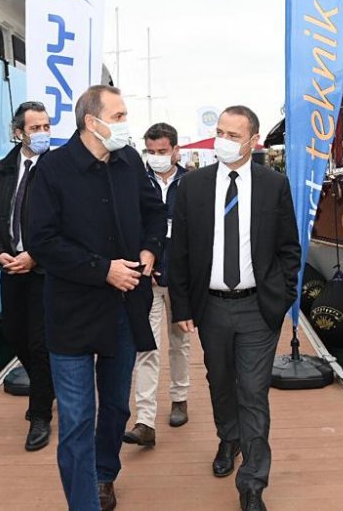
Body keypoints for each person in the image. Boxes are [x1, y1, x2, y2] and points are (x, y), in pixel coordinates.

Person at [26, 85, 166, 511]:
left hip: (123, 311)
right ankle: (83, 503)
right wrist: (103, 269)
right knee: (76, 419)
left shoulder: (129, 162)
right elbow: (41, 240)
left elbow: (155, 211)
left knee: (116, 408)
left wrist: (149, 249)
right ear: (92, 122)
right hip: (71, 315)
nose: (126, 123)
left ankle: (105, 474)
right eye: (119, 115)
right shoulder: (52, 170)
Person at [168, 105, 301, 511]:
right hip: (210, 307)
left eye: (233, 135)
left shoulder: (273, 185)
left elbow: (289, 248)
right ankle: (229, 438)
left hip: (257, 308)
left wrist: (283, 296)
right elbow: (179, 251)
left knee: (253, 391)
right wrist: (182, 306)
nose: (222, 141)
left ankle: (253, 483)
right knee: (221, 381)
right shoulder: (193, 186)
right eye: (220, 133)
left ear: (253, 141)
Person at [0, 101, 55, 452]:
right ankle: (47, 386)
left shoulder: (57, 170)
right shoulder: (3, 170)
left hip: (44, 271)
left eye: (46, 127)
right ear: (18, 132)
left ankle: (40, 414)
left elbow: (67, 221)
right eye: (35, 128)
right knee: (14, 334)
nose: (42, 133)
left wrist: (34, 255)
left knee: (40, 343)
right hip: (11, 269)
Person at [122, 123, 191, 448]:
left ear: (175, 150)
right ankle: (145, 420)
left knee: (180, 343)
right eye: (150, 151)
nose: (156, 157)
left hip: (180, 279)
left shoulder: (191, 183)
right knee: (146, 347)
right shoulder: (137, 182)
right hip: (146, 277)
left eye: (162, 151)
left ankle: (180, 398)